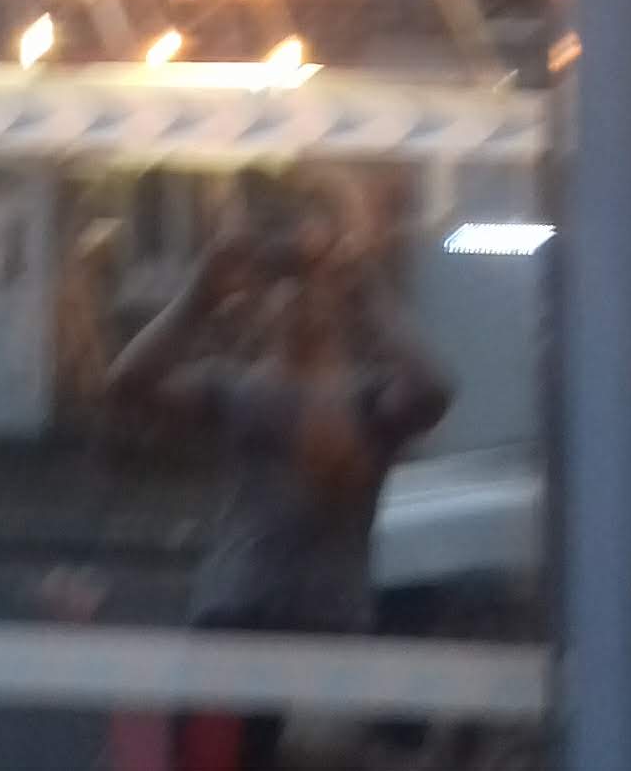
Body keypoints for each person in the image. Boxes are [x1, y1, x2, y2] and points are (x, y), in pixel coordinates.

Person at [106, 184, 452, 771]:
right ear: (259, 302)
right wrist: (198, 296)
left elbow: (434, 390)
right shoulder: (234, 387)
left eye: (311, 281)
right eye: (281, 281)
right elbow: (128, 384)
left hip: (325, 631)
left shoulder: (367, 398)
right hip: (234, 621)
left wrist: (369, 294)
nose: (296, 295)